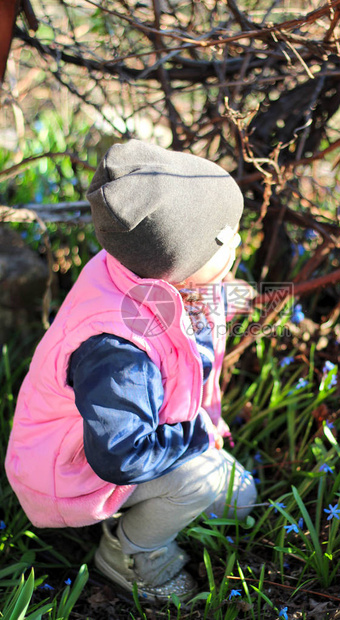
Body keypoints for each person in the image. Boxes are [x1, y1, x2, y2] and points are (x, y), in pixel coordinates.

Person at [5, 140, 257, 603]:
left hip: (132, 432)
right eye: (224, 239)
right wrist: (197, 436)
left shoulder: (134, 268)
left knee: (240, 497)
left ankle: (174, 493)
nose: (237, 242)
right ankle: (128, 555)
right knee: (199, 482)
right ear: (176, 265)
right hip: (73, 468)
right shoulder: (117, 352)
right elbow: (121, 456)